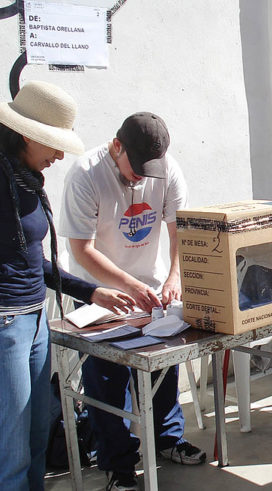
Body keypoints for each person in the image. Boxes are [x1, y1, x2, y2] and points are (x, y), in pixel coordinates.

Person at [59, 112, 204, 490]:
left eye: (148, 170)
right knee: (107, 378)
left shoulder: (167, 170)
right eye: (135, 168)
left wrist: (174, 277)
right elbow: (82, 249)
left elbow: (178, 232)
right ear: (116, 146)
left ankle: (167, 440)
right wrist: (127, 286)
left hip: (152, 289)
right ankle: (119, 464)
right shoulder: (85, 175)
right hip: (100, 294)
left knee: (163, 366)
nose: (141, 177)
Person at [0, 81, 133, 491]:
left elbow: (35, 262)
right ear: (27, 134)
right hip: (7, 324)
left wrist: (92, 292)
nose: (59, 156)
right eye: (53, 145)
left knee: (40, 430)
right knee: (14, 445)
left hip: (37, 319)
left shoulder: (24, 179)